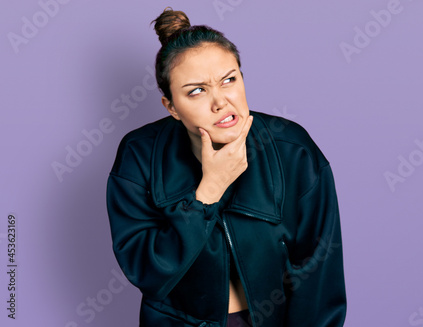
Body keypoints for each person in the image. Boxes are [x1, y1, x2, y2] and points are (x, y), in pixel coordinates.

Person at [106, 7, 346, 327]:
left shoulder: (294, 151)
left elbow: (319, 275)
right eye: (197, 91)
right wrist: (208, 191)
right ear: (172, 107)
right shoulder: (139, 155)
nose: (220, 102)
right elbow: (148, 273)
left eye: (229, 80)